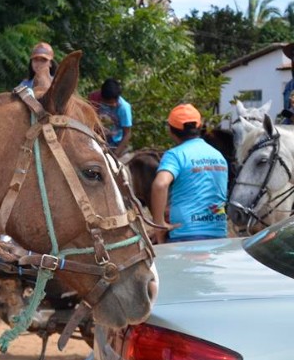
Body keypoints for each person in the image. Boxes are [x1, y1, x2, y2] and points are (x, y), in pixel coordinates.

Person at [149, 104, 228, 244]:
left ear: (171, 130)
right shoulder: (218, 156)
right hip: (218, 233)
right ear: (199, 126)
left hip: (184, 234)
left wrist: (159, 224)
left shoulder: (175, 155)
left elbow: (160, 185)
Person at [87, 78, 133, 157]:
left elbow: (127, 134)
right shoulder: (94, 98)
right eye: (109, 103)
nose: (114, 105)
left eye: (115, 101)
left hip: (115, 143)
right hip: (96, 137)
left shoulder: (124, 108)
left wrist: (116, 154)